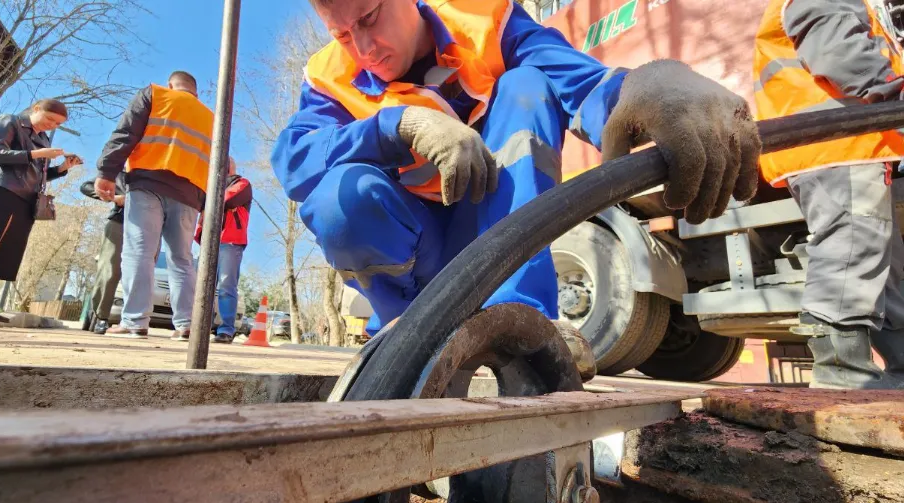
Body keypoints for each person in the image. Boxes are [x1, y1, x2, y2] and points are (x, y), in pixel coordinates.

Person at [272, 0, 760, 338]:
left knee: (526, 83)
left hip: (495, 236)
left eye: (370, 16)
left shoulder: (482, 21)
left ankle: (518, 323)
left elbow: (576, 78)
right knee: (339, 195)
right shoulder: (328, 76)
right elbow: (297, 160)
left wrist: (651, 86)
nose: (363, 47)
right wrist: (395, 127)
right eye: (341, 33)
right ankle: (405, 334)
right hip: (415, 263)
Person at [755, 0, 904, 389]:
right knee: (853, 246)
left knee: (884, 261)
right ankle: (843, 371)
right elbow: (844, 55)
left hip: (853, 144)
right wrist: (896, 100)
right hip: (837, 144)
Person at [93, 71, 213, 340]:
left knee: (139, 253)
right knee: (182, 259)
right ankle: (186, 325)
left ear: (172, 85)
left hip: (149, 183)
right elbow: (214, 163)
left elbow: (126, 132)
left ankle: (135, 321)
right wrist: (206, 203)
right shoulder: (211, 117)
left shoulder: (156, 94)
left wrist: (107, 171)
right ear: (196, 92)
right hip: (190, 194)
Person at [0, 99, 81, 323]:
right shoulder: (10, 121)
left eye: (58, 123)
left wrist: (62, 168)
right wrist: (37, 155)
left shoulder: (43, 139)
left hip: (27, 199)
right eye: (50, 119)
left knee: (8, 249)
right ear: (36, 109)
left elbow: (37, 174)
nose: (52, 125)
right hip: (1, 188)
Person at [195, 158, 252, 344]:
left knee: (226, 284)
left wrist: (209, 201)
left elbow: (228, 199)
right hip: (209, 242)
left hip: (231, 241)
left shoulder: (242, 183)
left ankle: (226, 330)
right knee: (205, 285)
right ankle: (204, 327)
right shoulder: (209, 186)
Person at [79, 173, 127, 334]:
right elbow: (86, 186)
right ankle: (100, 317)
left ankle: (132, 322)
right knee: (110, 271)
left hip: (149, 228)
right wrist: (115, 198)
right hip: (119, 223)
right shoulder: (120, 173)